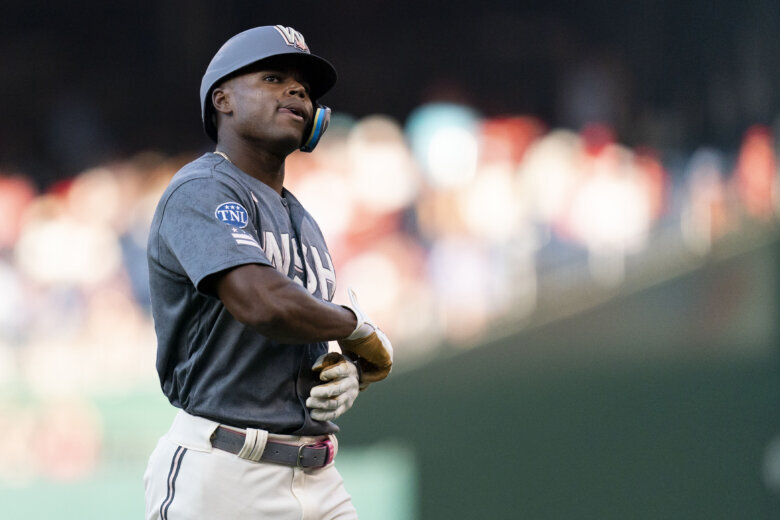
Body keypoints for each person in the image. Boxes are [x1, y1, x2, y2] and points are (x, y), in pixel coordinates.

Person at [143, 25, 393, 520]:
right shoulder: (200, 188)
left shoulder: (302, 217)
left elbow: (293, 329)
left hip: (317, 475)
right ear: (222, 100)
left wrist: (339, 367)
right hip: (224, 471)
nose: (296, 90)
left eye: (304, 87)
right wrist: (355, 327)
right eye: (274, 78)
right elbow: (263, 303)